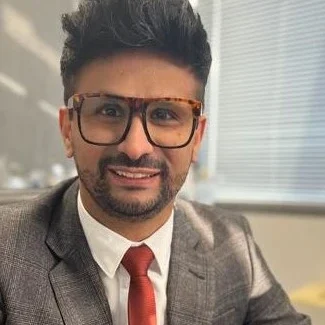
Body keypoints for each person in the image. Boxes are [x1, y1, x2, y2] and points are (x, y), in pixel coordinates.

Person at [0, 0, 311, 324]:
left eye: (164, 114)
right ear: (68, 129)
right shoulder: (7, 253)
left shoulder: (232, 242)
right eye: (109, 110)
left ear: (197, 137)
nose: (135, 148)